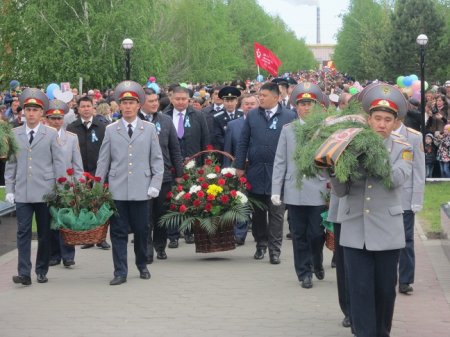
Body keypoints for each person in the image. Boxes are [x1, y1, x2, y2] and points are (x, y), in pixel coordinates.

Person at [330, 84, 413, 337]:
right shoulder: (350, 144)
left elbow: (397, 178)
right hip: (355, 227)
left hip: (387, 231)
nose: (382, 124)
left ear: (395, 122)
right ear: (369, 119)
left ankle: (381, 332)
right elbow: (342, 191)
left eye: (388, 120)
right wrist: (333, 169)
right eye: (377, 118)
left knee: (386, 290)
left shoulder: (403, 148)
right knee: (359, 288)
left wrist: (374, 158)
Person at [95, 81, 164, 285]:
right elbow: (103, 161)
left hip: (142, 188)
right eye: (123, 103)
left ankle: (141, 264)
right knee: (118, 231)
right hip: (117, 189)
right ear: (119, 105)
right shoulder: (111, 129)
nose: (127, 107)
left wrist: (155, 183)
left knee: (142, 230)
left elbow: (157, 159)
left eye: (131, 103)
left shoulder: (149, 128)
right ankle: (120, 271)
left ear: (138, 105)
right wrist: (98, 189)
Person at [5, 88, 66, 285]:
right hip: (23, 192)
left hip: (45, 192)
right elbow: (11, 164)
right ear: (23, 112)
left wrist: (60, 188)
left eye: (35, 110)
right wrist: (10, 189)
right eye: (28, 109)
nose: (31, 113)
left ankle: (41, 269)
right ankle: (24, 272)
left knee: (44, 233)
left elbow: (58, 163)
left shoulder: (50, 134)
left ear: (41, 114)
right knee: (22, 232)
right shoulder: (14, 133)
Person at [272, 82, 328, 287]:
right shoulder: (289, 130)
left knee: (316, 233)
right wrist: (276, 190)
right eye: (302, 104)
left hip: (318, 189)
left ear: (316, 106)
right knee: (298, 234)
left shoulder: (325, 130)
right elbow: (280, 161)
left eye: (310, 103)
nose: (306, 107)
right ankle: (304, 273)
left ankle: (317, 260)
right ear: (296, 106)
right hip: (294, 190)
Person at [235, 82, 296, 264]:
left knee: (277, 213)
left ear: (277, 97)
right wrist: (239, 165)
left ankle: (274, 250)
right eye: (259, 95)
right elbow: (243, 141)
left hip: (278, 174)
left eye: (265, 95)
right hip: (256, 171)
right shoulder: (253, 115)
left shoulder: (289, 116)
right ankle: (261, 244)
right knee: (258, 213)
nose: (260, 98)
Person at [138, 88, 184, 262]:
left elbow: (175, 149)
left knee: (161, 214)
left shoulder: (165, 120)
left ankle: (160, 246)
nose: (155, 104)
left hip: (163, 176)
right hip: (141, 177)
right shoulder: (135, 121)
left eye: (156, 100)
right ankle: (147, 249)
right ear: (141, 103)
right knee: (145, 216)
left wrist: (179, 173)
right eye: (151, 101)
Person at [164, 86, 210, 247]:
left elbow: (205, 141)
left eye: (184, 99)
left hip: (194, 164)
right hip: (171, 165)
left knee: (192, 199)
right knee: (173, 200)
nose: (181, 102)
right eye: (177, 99)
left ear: (189, 99)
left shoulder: (198, 115)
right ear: (171, 99)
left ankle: (190, 231)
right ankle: (173, 235)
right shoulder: (164, 116)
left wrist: (206, 164)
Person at [67, 96, 110, 250]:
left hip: (98, 172)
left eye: (88, 106)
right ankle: (88, 236)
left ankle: (102, 238)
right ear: (78, 109)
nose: (86, 109)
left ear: (94, 108)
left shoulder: (103, 127)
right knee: (84, 204)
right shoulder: (72, 128)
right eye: (83, 106)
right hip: (80, 173)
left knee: (100, 205)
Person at [45, 100, 84, 268]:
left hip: (67, 187)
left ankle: (68, 255)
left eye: (59, 118)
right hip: (46, 186)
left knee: (67, 221)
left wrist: (79, 185)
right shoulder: (43, 136)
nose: (56, 121)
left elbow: (77, 165)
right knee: (51, 222)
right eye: (52, 118)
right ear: (47, 119)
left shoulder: (71, 138)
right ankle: (54, 254)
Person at [393, 118, 425, 295]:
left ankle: (405, 279)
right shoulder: (377, 134)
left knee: (406, 239)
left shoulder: (413, 137)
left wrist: (417, 198)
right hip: (384, 198)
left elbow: (419, 170)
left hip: (404, 197)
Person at [223, 93, 259, 245]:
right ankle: (239, 234)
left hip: (258, 170)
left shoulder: (263, 123)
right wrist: (226, 171)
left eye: (252, 103)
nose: (249, 106)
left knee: (257, 204)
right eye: (246, 104)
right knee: (241, 202)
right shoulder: (233, 125)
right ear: (241, 106)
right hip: (239, 170)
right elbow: (227, 150)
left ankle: (259, 234)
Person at [213, 86, 243, 153]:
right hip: (225, 151)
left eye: (232, 101)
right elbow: (218, 136)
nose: (229, 104)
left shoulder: (242, 114)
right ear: (223, 102)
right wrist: (229, 146)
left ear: (236, 101)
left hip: (241, 150)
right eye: (227, 101)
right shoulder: (217, 117)